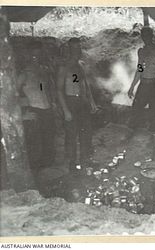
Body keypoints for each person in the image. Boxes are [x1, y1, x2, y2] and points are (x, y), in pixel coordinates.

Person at [57, 38, 98, 173]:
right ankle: (72, 163)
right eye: (74, 49)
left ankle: (85, 159)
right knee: (72, 134)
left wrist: (91, 102)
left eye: (79, 48)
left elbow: (85, 85)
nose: (77, 51)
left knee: (86, 132)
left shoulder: (80, 65)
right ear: (69, 50)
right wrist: (66, 110)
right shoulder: (64, 67)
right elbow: (59, 90)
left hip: (82, 102)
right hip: (70, 102)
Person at [17, 40, 56, 173]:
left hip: (47, 109)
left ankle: (48, 172)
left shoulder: (43, 70)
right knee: (35, 145)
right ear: (28, 55)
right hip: (34, 110)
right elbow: (13, 95)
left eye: (38, 55)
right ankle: (36, 173)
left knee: (49, 142)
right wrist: (23, 113)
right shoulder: (24, 74)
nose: (36, 58)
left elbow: (45, 89)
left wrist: (53, 103)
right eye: (33, 56)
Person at [128, 26, 155, 132]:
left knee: (153, 113)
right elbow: (139, 70)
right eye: (143, 36)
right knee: (136, 109)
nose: (146, 38)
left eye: (148, 36)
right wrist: (132, 87)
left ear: (152, 36)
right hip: (143, 85)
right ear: (142, 37)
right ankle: (133, 136)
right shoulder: (141, 51)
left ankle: (151, 137)